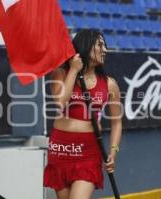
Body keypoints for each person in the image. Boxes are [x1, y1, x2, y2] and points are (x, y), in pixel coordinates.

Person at [44, 29, 122, 199]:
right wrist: (73, 70)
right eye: (100, 45)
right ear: (86, 46)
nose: (105, 50)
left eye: (105, 45)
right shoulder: (60, 73)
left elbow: (117, 123)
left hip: (88, 152)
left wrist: (113, 152)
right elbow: (60, 103)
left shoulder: (110, 84)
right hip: (61, 149)